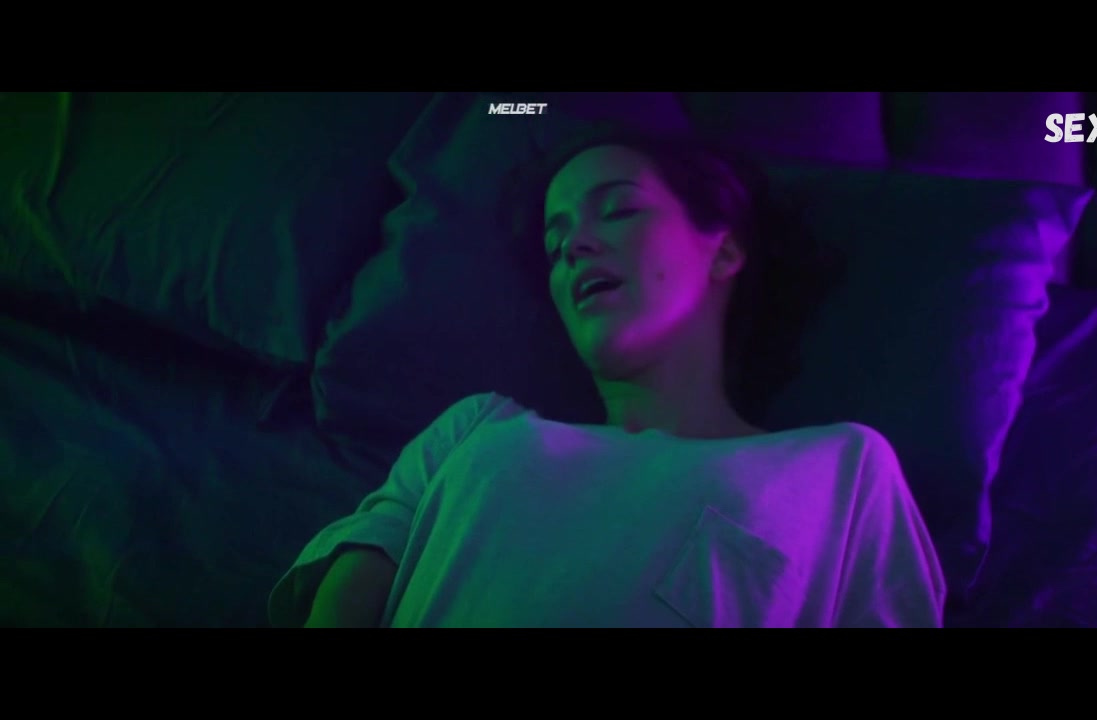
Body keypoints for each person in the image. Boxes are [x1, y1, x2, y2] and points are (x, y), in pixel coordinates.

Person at [268, 130, 947, 628]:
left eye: (617, 210)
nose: (575, 245)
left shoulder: (843, 469)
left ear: (724, 250)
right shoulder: (474, 430)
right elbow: (353, 588)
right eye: (555, 241)